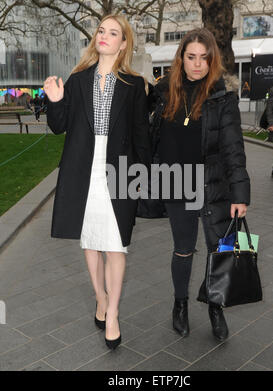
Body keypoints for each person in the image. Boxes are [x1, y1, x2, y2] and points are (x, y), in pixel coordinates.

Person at [43, 14, 151, 350]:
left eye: (113, 32)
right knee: (91, 239)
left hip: (119, 169)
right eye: (101, 30)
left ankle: (113, 313)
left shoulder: (134, 86)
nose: (104, 36)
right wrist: (56, 100)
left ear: (123, 43)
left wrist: (143, 178)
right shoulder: (77, 80)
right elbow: (60, 126)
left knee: (116, 243)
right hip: (82, 167)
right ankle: (100, 296)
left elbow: (141, 137)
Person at [150, 28, 250, 341]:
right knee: (182, 250)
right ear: (181, 57)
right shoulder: (164, 91)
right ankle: (180, 304)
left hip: (211, 185)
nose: (197, 64)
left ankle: (215, 307)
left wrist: (240, 194)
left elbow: (234, 148)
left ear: (212, 60)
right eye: (191, 57)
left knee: (219, 250)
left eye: (204, 58)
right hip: (176, 184)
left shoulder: (222, 97)